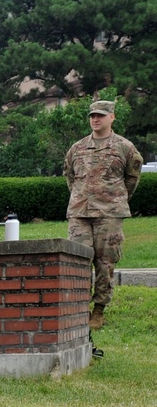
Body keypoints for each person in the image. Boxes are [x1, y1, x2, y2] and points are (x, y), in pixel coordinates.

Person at [64, 99, 143, 344]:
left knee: (105, 261)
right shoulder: (77, 148)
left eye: (100, 115)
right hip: (80, 212)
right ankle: (78, 309)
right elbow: (70, 176)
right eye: (92, 116)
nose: (95, 119)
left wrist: (114, 199)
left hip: (110, 213)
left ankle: (98, 311)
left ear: (112, 117)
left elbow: (132, 177)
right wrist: (82, 198)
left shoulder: (125, 147)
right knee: (77, 259)